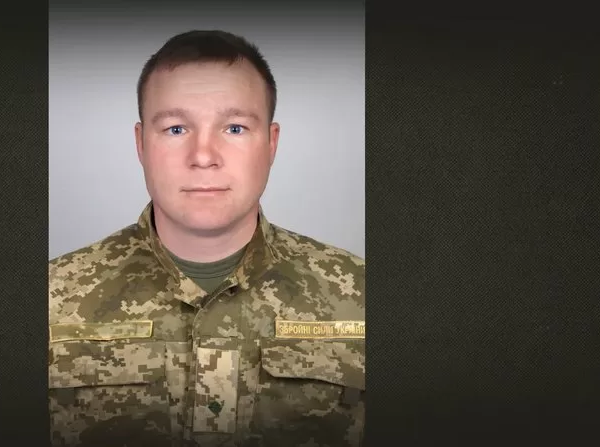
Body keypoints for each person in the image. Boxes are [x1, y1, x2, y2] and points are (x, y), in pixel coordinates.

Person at [48, 29, 365, 447]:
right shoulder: (50, 298)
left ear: (271, 144)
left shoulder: (362, 294)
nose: (203, 156)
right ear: (141, 144)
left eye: (234, 128)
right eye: (176, 129)